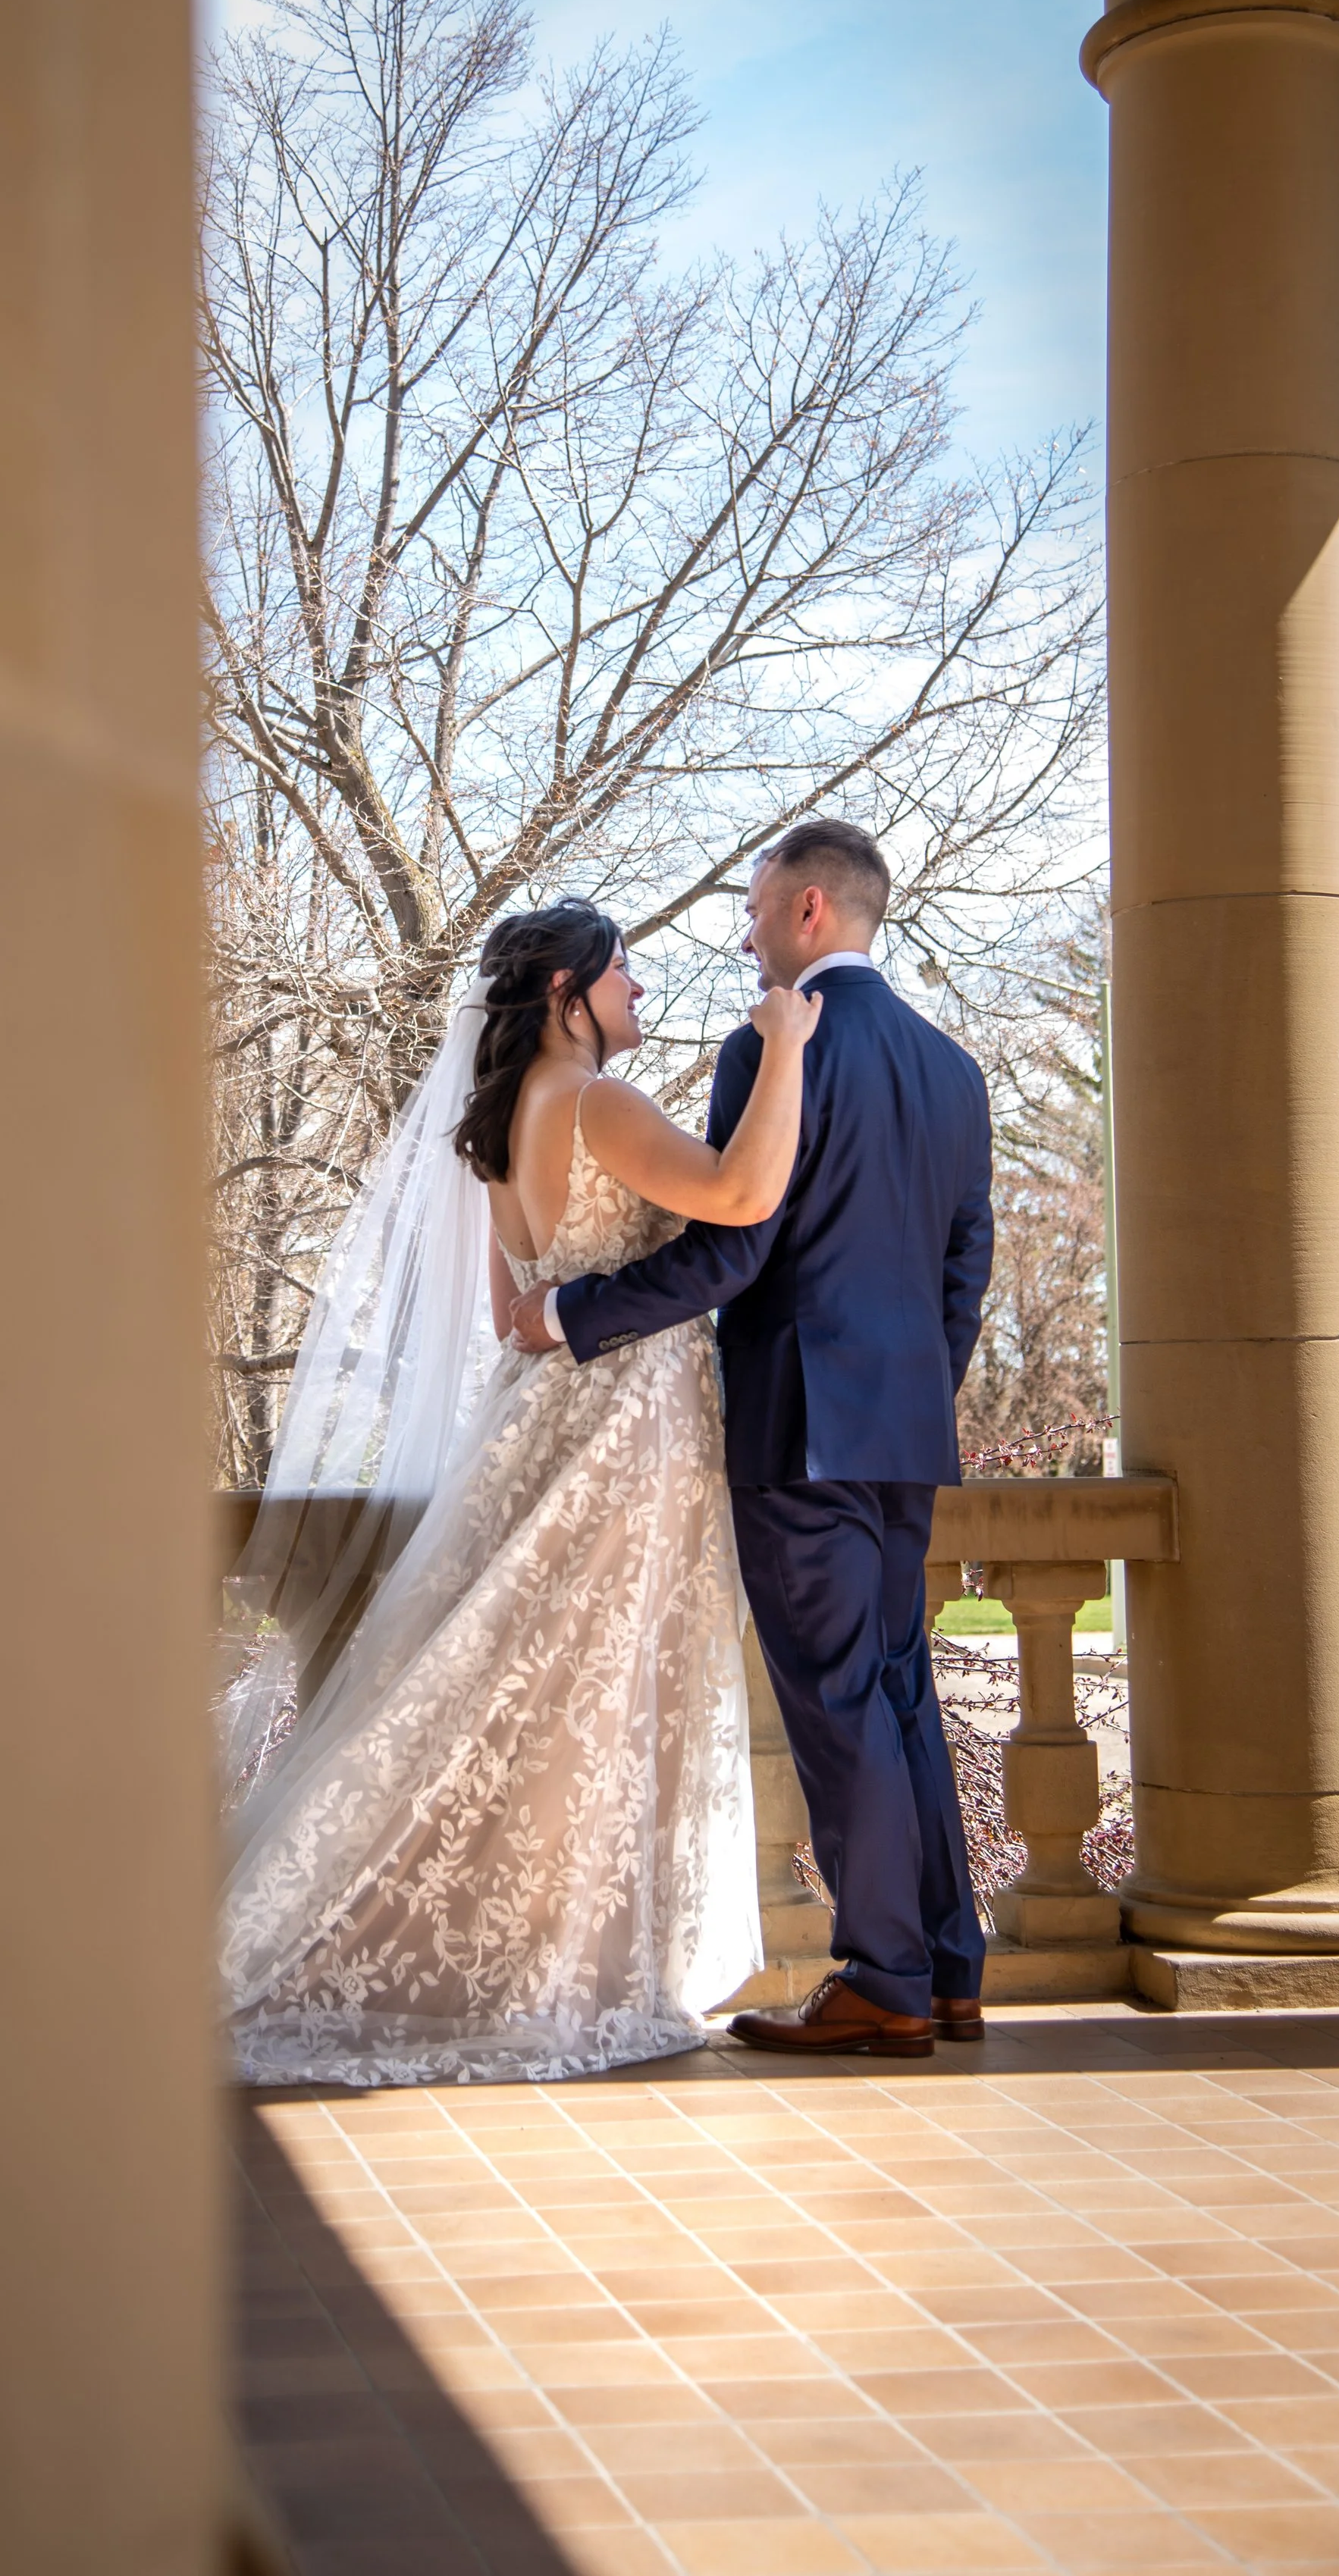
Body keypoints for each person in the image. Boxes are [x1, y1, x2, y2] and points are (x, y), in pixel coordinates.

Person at [220, 900, 819, 2087]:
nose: (639, 992)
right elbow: (745, 1196)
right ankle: (574, 1972)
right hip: (627, 1430)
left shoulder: (498, 1127)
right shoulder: (597, 1102)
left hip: (538, 1415)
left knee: (523, 1696)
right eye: (623, 974)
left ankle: (528, 1962)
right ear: (566, 992)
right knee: (598, 1700)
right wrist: (788, 1044)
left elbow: (512, 1316)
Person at [512, 820, 994, 2059]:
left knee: (840, 1706)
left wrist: (570, 1314)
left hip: (798, 1435)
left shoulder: (768, 1051)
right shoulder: (955, 1072)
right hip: (903, 1440)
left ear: (813, 914)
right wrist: (917, 1395)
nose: (743, 931)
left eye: (758, 905)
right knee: (898, 1690)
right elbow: (964, 1266)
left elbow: (735, 1245)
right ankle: (949, 1968)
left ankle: (884, 1977)